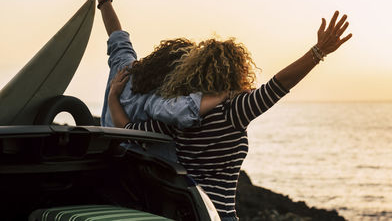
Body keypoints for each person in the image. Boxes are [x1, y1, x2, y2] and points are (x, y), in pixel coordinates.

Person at [109, 11, 352, 220]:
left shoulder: (177, 118)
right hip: (218, 215)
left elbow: (128, 130)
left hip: (186, 212)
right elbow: (278, 85)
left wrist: (113, 97)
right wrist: (318, 52)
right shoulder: (233, 110)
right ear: (237, 70)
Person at [75, 0, 226, 129]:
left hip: (107, 143)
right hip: (131, 153)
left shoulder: (125, 71)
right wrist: (226, 92)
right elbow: (184, 113)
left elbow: (117, 36)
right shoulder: (157, 100)